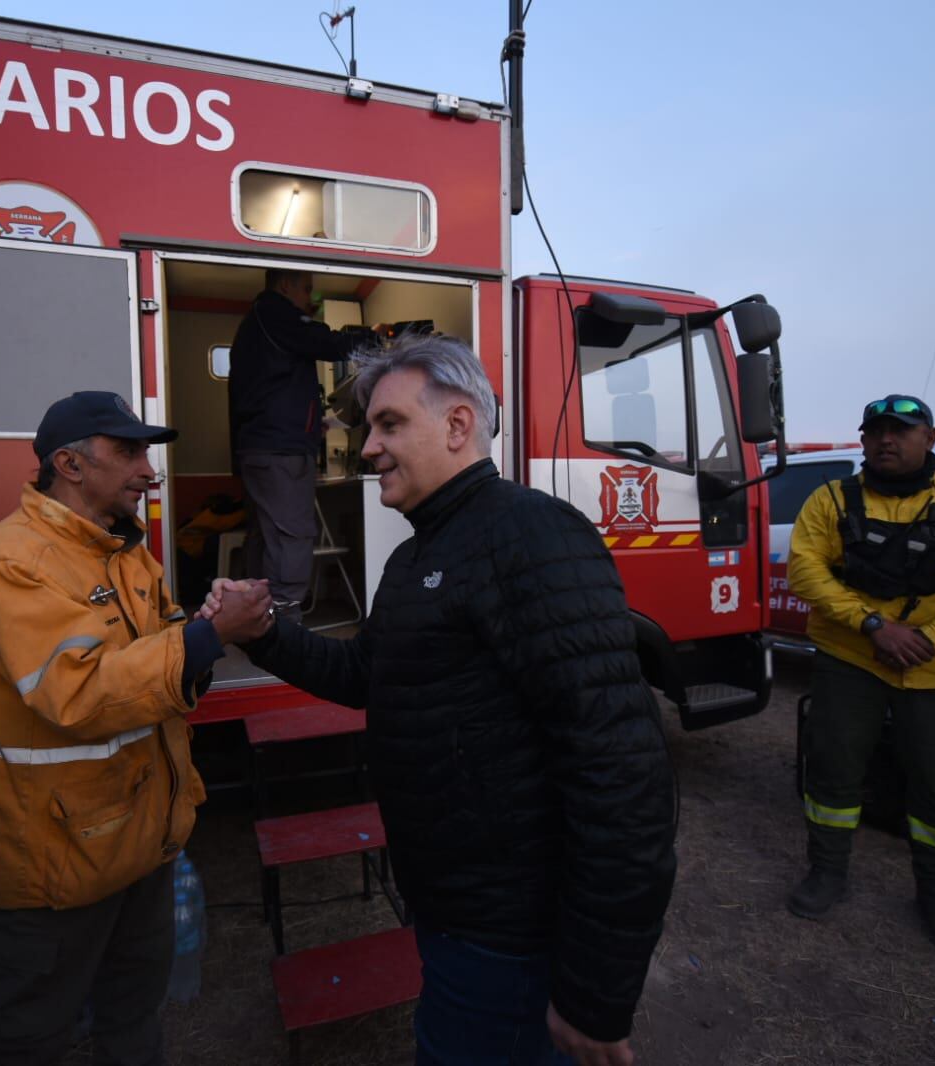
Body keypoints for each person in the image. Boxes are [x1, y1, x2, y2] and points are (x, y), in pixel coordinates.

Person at [207, 335, 677, 1065]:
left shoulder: (531, 534)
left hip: (510, 937)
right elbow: (367, 675)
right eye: (369, 428)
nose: (367, 449)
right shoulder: (415, 554)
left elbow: (621, 774)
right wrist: (263, 632)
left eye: (389, 425)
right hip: (452, 912)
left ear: (458, 426)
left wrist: (595, 993)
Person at [0, 390, 271, 1066]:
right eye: (127, 452)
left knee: (132, 1020)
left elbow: (156, 665)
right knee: (22, 1038)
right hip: (55, 865)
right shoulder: (10, 562)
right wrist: (209, 639)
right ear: (68, 463)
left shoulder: (126, 553)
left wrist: (199, 630)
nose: (149, 470)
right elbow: (80, 692)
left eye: (146, 452)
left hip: (139, 844)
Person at [785, 394, 935, 959]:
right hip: (851, 657)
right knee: (835, 771)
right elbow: (805, 569)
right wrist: (872, 626)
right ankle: (827, 874)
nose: (888, 440)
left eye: (903, 431)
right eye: (877, 432)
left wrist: (933, 640)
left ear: (931, 438)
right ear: (863, 440)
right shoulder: (831, 500)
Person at [227, 268, 358, 620]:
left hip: (260, 448)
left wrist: (318, 425)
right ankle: (284, 623)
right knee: (292, 534)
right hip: (280, 451)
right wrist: (372, 341)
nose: (311, 301)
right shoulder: (275, 311)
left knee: (266, 534)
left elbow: (274, 395)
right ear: (285, 286)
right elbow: (325, 344)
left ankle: (254, 616)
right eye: (308, 291)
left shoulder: (257, 323)